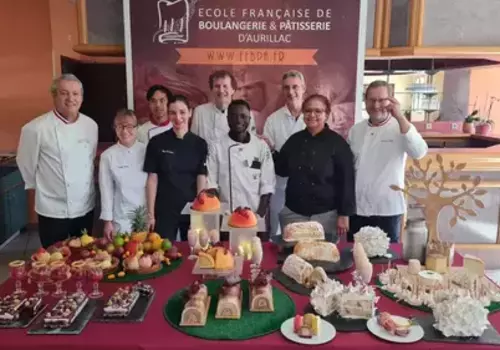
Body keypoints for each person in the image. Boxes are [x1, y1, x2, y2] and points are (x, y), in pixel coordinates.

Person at [16, 74, 98, 248]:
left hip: (84, 206)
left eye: (76, 94)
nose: (71, 99)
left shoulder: (91, 126)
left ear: (82, 97)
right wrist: (42, 189)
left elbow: (89, 160)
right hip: (52, 210)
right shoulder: (35, 129)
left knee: (85, 258)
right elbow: (26, 164)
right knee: (54, 263)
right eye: (64, 93)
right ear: (54, 96)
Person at [348, 80, 428, 243]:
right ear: (365, 101)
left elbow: (419, 152)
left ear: (391, 101)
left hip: (387, 209)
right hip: (357, 207)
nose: (376, 105)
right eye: (372, 100)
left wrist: (399, 116)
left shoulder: (400, 127)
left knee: (385, 261)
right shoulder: (356, 130)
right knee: (356, 257)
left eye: (381, 100)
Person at [275, 94, 356, 242]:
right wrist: (267, 150)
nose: (312, 115)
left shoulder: (337, 144)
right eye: (308, 111)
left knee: (323, 260)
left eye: (318, 111)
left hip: (325, 216)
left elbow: (347, 180)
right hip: (294, 213)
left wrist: (344, 214)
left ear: (327, 115)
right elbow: (282, 169)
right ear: (303, 114)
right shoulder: (294, 140)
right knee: (293, 257)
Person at [144, 95, 208, 241]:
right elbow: (152, 179)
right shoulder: (156, 142)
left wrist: (200, 212)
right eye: (173, 113)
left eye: (182, 112)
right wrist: (151, 214)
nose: (178, 117)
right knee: (163, 253)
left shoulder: (200, 144)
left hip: (191, 208)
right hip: (164, 209)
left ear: (190, 113)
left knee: (193, 252)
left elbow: (201, 177)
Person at [207, 100, 275, 216]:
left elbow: (267, 185)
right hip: (226, 214)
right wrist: (219, 213)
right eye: (234, 116)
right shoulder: (216, 147)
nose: (238, 120)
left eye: (243, 116)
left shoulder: (261, 147)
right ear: (227, 119)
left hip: (254, 213)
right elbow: (212, 184)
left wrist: (260, 215)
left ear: (249, 119)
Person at [262, 70, 307, 236]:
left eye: (295, 87)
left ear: (304, 88)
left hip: (308, 191)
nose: (291, 92)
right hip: (280, 188)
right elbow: (267, 157)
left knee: (305, 238)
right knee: (278, 236)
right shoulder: (273, 120)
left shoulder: (314, 117)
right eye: (287, 88)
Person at [99, 109, 147, 240]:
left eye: (130, 126)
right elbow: (106, 190)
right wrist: (107, 222)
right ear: (115, 129)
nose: (125, 131)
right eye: (120, 126)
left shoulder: (147, 151)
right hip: (121, 219)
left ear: (137, 128)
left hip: (145, 216)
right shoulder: (107, 156)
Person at [191, 70, 255, 145]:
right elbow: (193, 142)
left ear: (233, 90)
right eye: (217, 86)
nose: (221, 90)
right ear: (212, 90)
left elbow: (251, 144)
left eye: (225, 86)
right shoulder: (199, 112)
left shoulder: (246, 112)